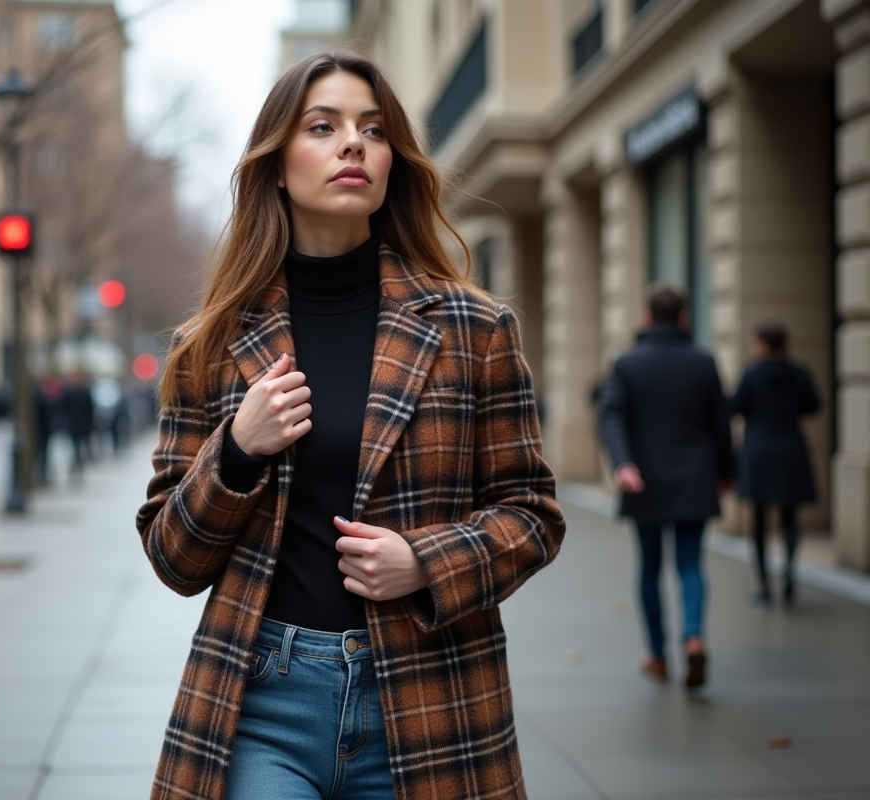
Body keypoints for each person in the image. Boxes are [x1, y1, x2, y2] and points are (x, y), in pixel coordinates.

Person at [136, 51, 565, 800]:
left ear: (392, 161)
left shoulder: (474, 327)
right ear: (276, 163)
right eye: (323, 126)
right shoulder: (210, 344)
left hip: (430, 697)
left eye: (373, 129)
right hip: (262, 697)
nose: (352, 144)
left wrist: (426, 563)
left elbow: (533, 518)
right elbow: (174, 559)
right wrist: (236, 452)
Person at [597, 284, 734, 689]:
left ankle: (657, 655)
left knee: (650, 566)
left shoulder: (626, 363)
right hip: (695, 477)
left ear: (646, 317)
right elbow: (720, 424)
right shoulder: (704, 362)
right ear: (684, 318)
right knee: (691, 563)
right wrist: (726, 472)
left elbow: (612, 416)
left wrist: (623, 463)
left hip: (646, 480)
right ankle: (693, 635)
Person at [730, 322, 820, 605]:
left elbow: (734, 407)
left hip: (759, 450)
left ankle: (764, 585)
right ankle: (790, 572)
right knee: (790, 518)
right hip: (791, 448)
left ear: (764, 345)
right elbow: (814, 406)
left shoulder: (752, 374)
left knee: (759, 519)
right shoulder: (801, 372)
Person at [62, 370, 94, 483]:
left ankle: (77, 467)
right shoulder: (75, 391)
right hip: (78, 425)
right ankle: (77, 467)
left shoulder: (72, 391)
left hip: (78, 425)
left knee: (77, 447)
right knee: (77, 447)